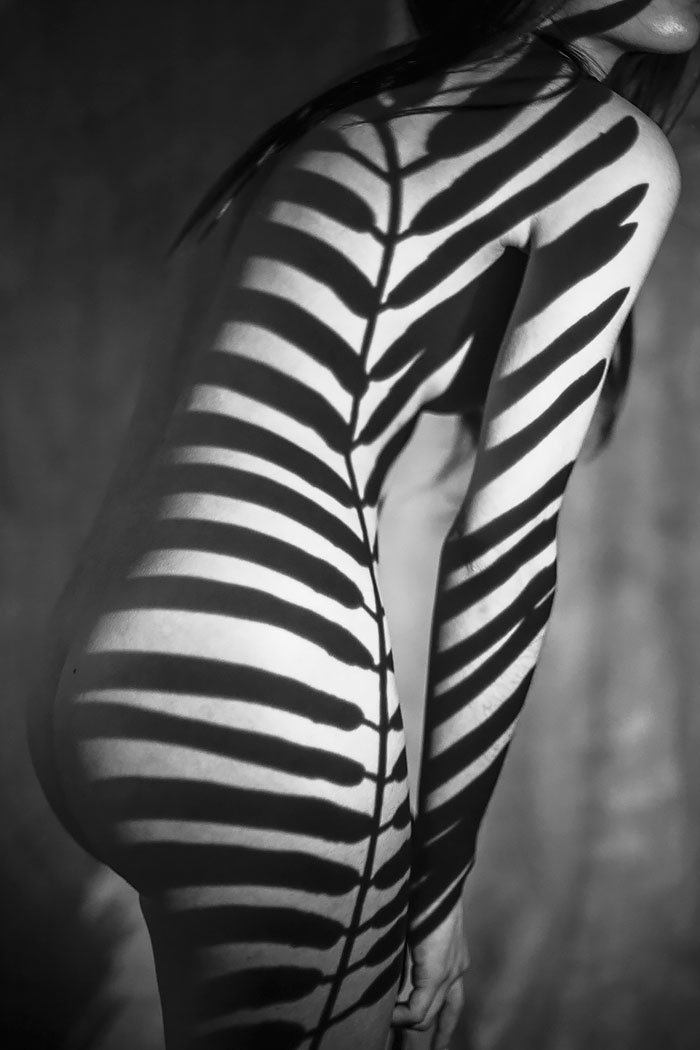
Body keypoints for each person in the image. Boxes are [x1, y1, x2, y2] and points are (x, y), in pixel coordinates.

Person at [25, 2, 700, 1048]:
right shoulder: (606, 148)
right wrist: (438, 895)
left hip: (86, 686)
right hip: (268, 693)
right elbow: (506, 541)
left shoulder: (325, 132)